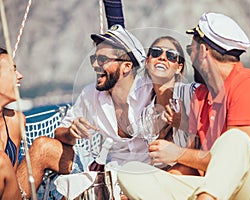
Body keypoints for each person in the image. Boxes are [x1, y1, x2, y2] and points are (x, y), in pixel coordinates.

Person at [117, 12, 250, 199]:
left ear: (203, 51)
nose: (190, 58)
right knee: (131, 174)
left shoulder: (249, 85)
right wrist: (163, 183)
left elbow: (234, 162)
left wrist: (178, 153)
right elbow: (194, 165)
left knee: (234, 139)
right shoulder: (201, 97)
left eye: (190, 51)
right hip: (214, 189)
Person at [16, 24, 153, 199]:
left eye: (103, 59)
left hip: (142, 175)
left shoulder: (151, 94)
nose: (95, 65)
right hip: (105, 169)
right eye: (94, 59)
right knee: (42, 147)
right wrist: (71, 133)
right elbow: (60, 132)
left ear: (126, 66)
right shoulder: (91, 94)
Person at [143, 36, 199, 149]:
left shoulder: (194, 93)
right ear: (147, 62)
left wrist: (184, 124)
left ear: (179, 67)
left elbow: (213, 139)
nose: (162, 58)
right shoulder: (147, 115)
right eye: (156, 52)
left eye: (171, 56)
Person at [0, 47, 24, 199]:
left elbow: (12, 187)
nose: (20, 76)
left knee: (45, 146)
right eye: (13, 70)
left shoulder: (16, 121)